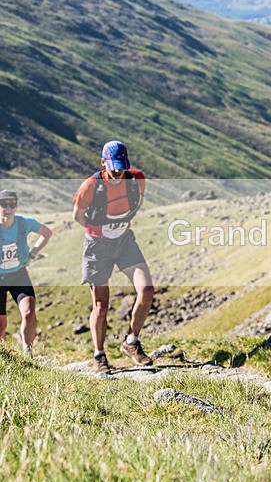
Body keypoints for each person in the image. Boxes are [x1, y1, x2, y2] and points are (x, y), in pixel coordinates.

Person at [72, 141, 155, 374]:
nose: (118, 171)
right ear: (103, 163)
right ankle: (99, 355)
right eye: (113, 166)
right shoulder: (90, 186)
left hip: (124, 241)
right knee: (101, 305)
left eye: (122, 166)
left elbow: (136, 202)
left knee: (147, 290)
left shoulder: (137, 178)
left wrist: (118, 228)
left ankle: (131, 342)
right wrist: (98, 232)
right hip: (97, 246)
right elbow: (78, 216)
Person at [0, 190, 52, 357]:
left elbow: (47, 233)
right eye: (4, 204)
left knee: (29, 313)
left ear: (16, 206)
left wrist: (32, 254)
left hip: (18, 274)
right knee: (1, 324)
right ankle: (3, 357)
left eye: (12, 204)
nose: (8, 208)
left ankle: (27, 353)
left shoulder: (23, 222)